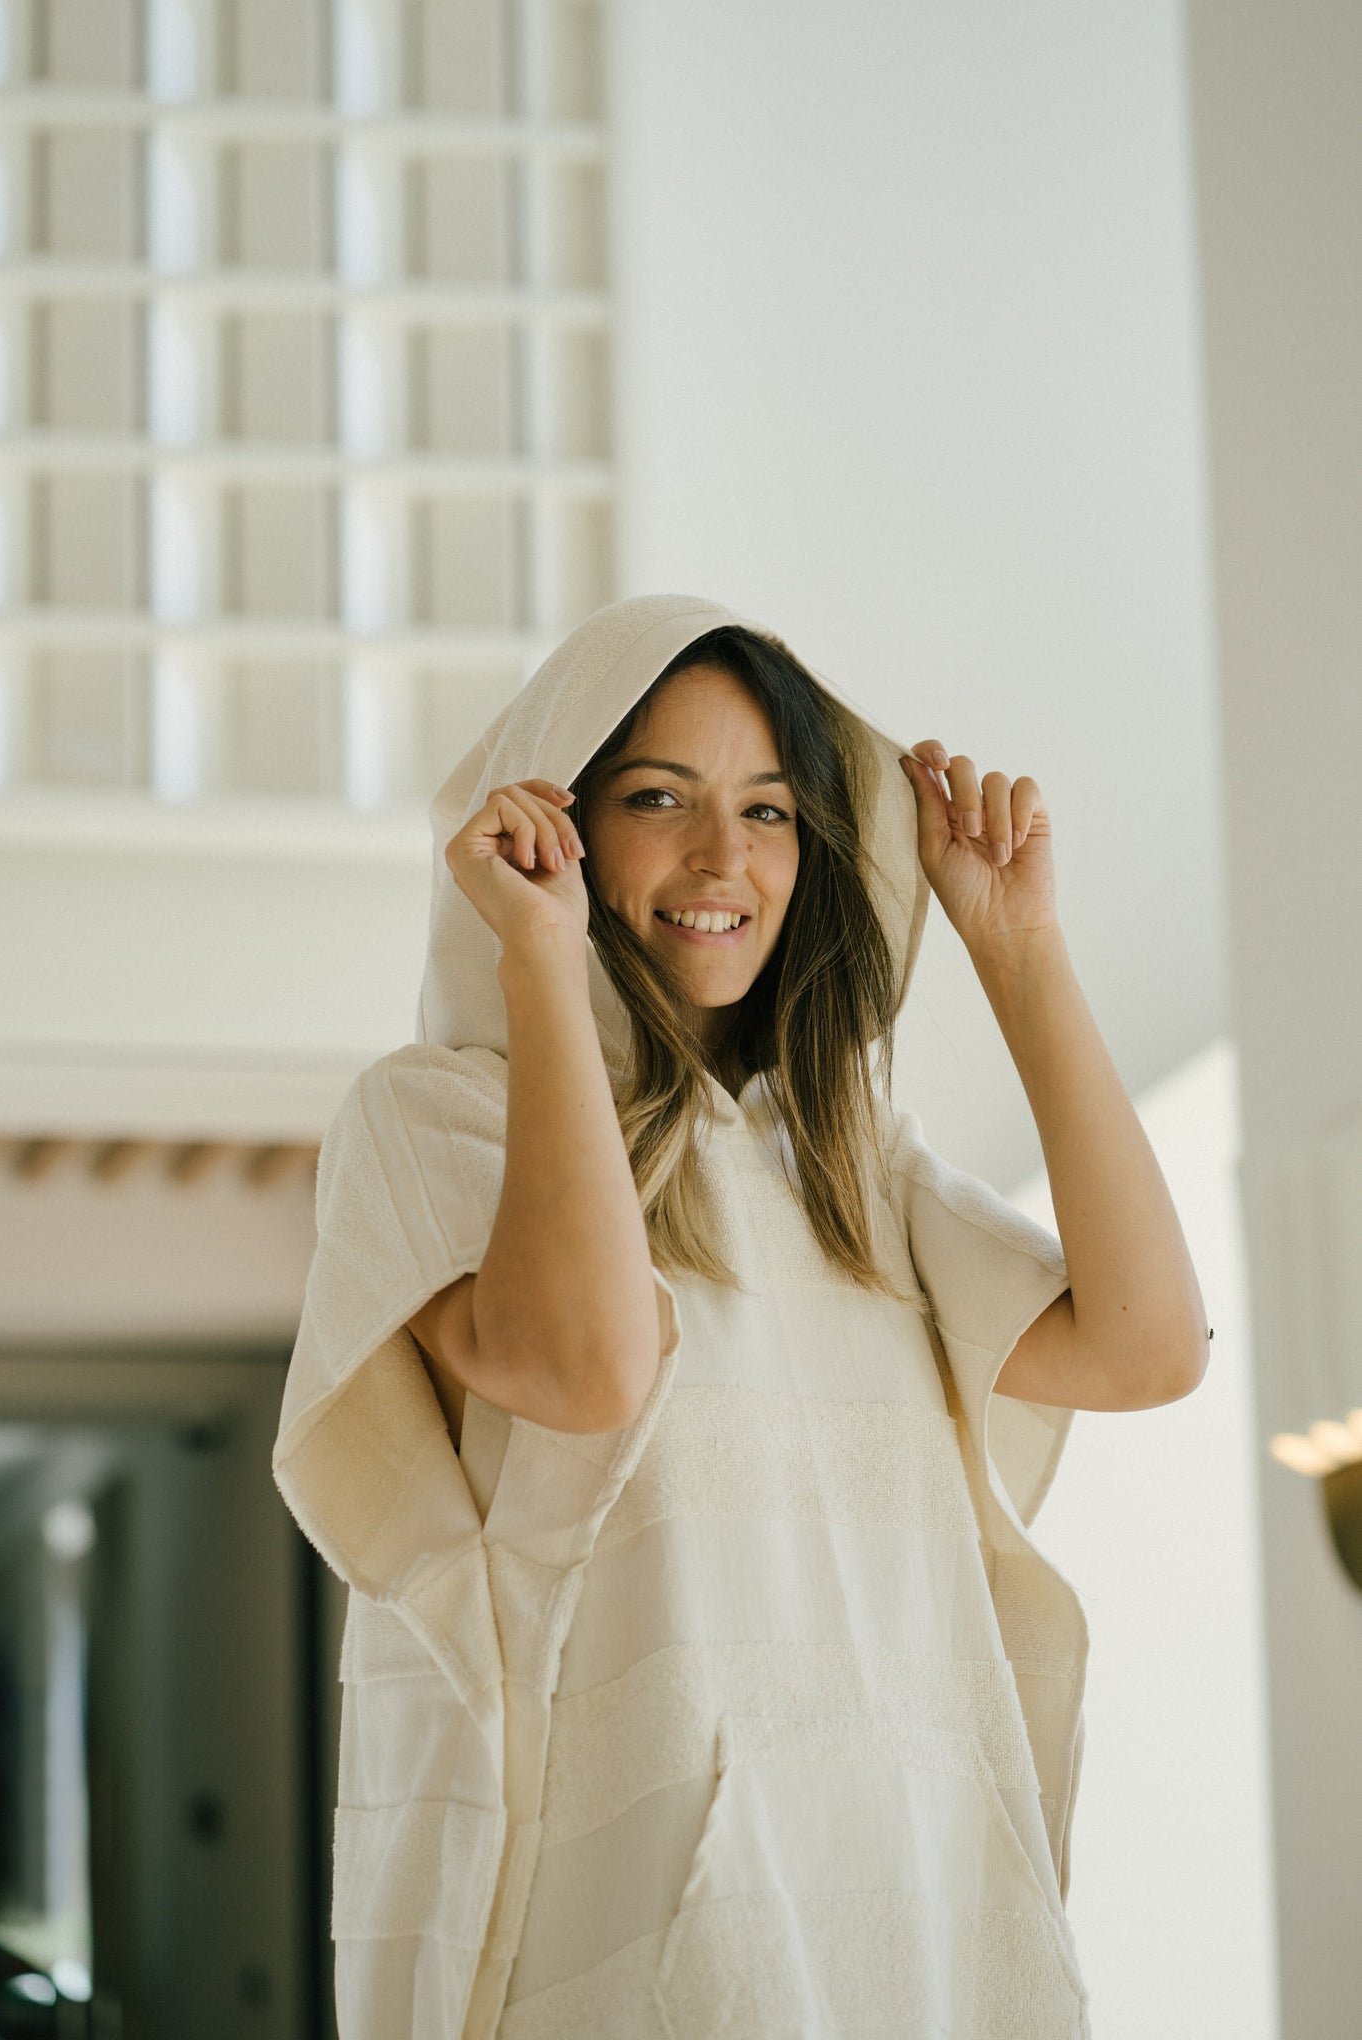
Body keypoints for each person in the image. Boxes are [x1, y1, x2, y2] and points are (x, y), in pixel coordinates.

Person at [272, 594, 1209, 2040]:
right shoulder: (435, 1113)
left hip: (902, 1916)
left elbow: (1146, 1345)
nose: (724, 860)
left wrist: (1017, 951)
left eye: (769, 811)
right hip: (643, 1949)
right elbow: (588, 1370)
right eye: (658, 798)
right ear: (554, 821)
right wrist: (535, 954)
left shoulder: (848, 1162)